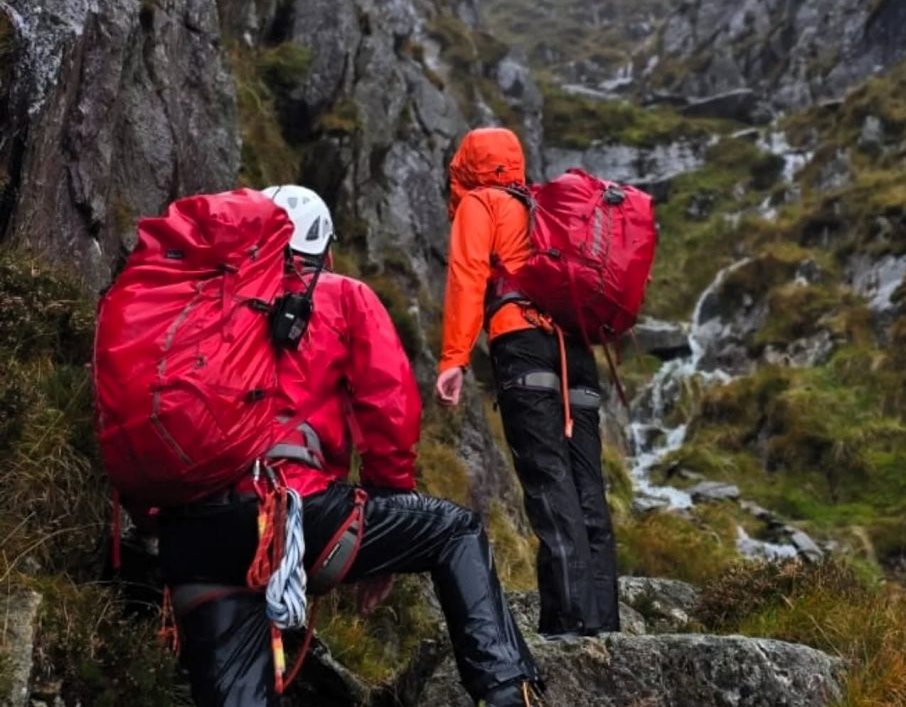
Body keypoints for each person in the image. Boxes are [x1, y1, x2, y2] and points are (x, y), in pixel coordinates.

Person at [156, 184, 542, 707]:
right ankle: (505, 694)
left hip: (192, 537)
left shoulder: (201, 299)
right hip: (294, 513)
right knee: (456, 530)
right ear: (326, 252)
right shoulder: (341, 295)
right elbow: (390, 408)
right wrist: (388, 503)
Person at [435, 128, 620, 639]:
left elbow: (468, 275)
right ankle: (604, 621)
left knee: (547, 483)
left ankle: (568, 625)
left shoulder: (482, 203)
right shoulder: (545, 209)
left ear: (468, 166)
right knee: (587, 487)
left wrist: (454, 358)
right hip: (578, 356)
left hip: (525, 347)